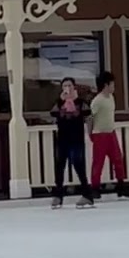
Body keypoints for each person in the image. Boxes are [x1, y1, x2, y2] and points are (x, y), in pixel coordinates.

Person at [49, 77, 94, 209]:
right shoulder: (59, 102)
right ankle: (58, 195)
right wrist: (62, 100)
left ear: (74, 87)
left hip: (76, 139)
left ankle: (87, 194)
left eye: (69, 85)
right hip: (62, 138)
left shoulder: (81, 102)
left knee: (78, 164)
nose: (67, 88)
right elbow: (53, 113)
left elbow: (88, 112)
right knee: (59, 165)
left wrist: (74, 100)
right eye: (64, 86)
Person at [87, 71, 129, 199]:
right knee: (98, 162)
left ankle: (121, 185)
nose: (114, 86)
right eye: (112, 84)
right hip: (100, 135)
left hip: (110, 133)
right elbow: (89, 118)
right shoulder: (98, 100)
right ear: (106, 85)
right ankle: (95, 188)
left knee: (118, 159)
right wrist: (90, 133)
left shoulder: (111, 97)